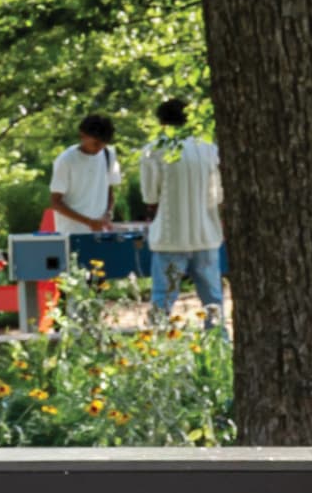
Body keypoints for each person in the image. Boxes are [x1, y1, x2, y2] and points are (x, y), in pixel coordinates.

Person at [139, 96, 225, 324]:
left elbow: (150, 195)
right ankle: (219, 345)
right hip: (205, 234)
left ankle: (155, 346)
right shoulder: (209, 149)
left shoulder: (153, 151)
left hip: (170, 235)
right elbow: (217, 194)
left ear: (162, 122)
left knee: (162, 299)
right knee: (213, 301)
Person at [47, 114, 122, 234]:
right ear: (83, 135)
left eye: (104, 143)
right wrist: (89, 222)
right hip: (71, 232)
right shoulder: (66, 160)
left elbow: (109, 191)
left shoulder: (109, 155)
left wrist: (108, 214)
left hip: (99, 233)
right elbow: (56, 203)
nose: (100, 148)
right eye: (96, 143)